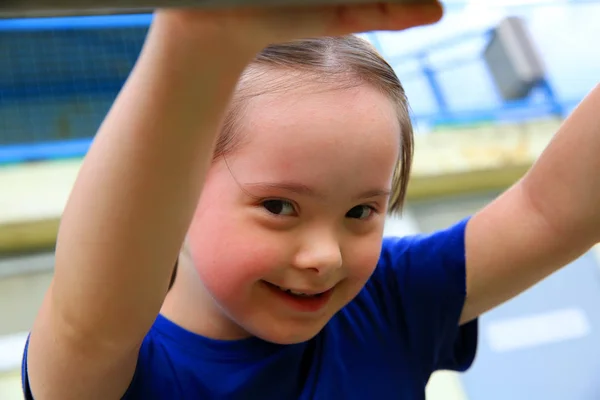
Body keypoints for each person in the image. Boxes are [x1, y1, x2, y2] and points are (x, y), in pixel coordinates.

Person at [21, 4, 600, 400]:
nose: (325, 255)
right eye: (278, 207)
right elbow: (86, 324)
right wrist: (197, 36)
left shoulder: (390, 300)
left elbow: (551, 211)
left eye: (360, 212)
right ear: (178, 192)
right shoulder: (116, 368)